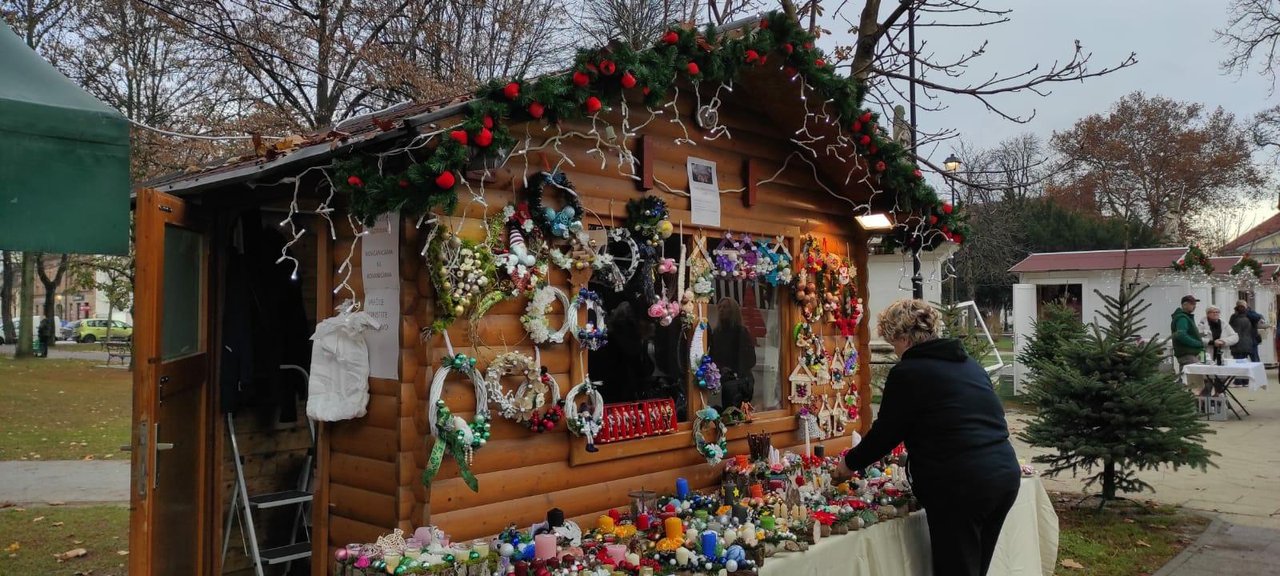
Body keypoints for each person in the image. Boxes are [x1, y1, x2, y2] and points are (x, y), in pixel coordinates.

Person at [841, 299, 1019, 576]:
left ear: (904, 337)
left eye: (894, 343)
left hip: (962, 483)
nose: (896, 351)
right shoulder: (970, 365)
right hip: (1003, 475)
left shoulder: (909, 372)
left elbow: (886, 433)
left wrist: (848, 464)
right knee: (975, 566)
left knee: (956, 568)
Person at [710, 297, 757, 411]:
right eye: (720, 307)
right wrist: (721, 369)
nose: (721, 310)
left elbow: (750, 359)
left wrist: (735, 372)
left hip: (741, 383)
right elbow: (713, 357)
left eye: (725, 307)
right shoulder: (716, 333)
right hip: (723, 381)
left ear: (733, 311)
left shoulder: (741, 332)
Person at [1171, 295, 1204, 371]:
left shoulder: (1186, 317)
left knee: (1190, 379)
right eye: (1192, 304)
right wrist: (1197, 343)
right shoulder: (1182, 318)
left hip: (1189, 354)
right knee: (1193, 380)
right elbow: (1181, 335)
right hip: (1188, 355)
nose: (1194, 306)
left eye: (1195, 304)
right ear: (1184, 305)